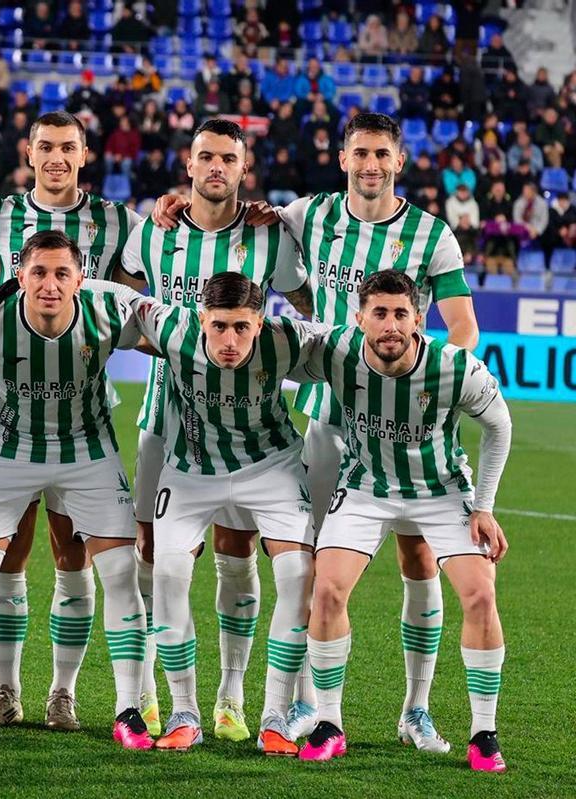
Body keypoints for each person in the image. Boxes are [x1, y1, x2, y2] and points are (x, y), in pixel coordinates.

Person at [150, 112, 480, 750]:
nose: (370, 165)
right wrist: (173, 203)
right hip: (328, 417)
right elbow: (228, 215)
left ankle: (415, 710)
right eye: (360, 153)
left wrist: (419, 383)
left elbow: (462, 329)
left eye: (382, 153)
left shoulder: (433, 235)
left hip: (401, 421)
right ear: (342, 157)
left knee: (418, 559)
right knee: (318, 566)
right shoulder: (307, 215)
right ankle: (300, 703)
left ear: (399, 160)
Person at [118, 118, 313, 744]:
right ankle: (152, 696)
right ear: (189, 161)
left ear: (243, 166)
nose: (216, 168)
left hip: (249, 422)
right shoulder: (155, 232)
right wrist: (172, 349)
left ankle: (232, 697)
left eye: (228, 159)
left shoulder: (270, 236)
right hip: (167, 422)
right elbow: (119, 301)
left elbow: (311, 307)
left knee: (236, 555)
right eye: (206, 157)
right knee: (153, 558)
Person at [0, 231, 153, 750]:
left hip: (87, 450)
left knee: (119, 572)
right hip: (5, 450)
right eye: (39, 273)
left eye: (62, 274)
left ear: (81, 278)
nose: (50, 285)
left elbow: (174, 336)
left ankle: (108, 704)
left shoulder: (109, 309)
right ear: (20, 276)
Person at [295, 270, 511, 774]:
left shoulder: (454, 366)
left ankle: (483, 733)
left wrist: (483, 505)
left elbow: (499, 425)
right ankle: (329, 723)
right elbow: (274, 348)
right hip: (367, 488)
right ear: (359, 318)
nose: (390, 325)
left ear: (418, 318)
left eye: (400, 314)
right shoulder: (336, 351)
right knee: (326, 591)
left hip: (442, 492)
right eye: (379, 313)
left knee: (480, 593)